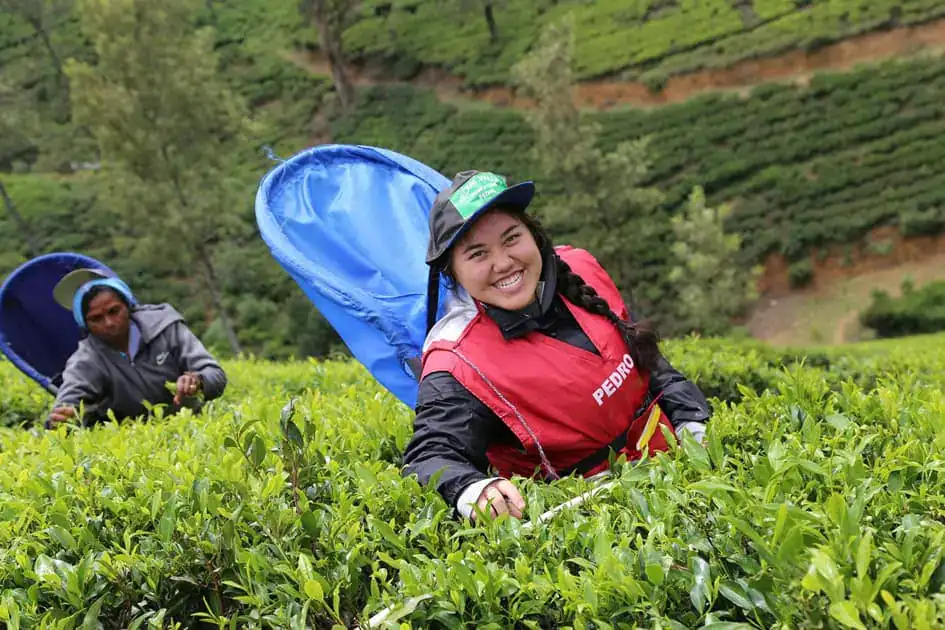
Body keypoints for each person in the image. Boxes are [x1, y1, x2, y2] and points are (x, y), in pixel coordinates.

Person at [402, 170, 712, 521]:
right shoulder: (456, 361)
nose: (503, 263)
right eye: (477, 254)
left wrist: (690, 419)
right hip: (598, 519)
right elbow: (430, 454)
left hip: (682, 476)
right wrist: (473, 490)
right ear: (453, 274)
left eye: (511, 238)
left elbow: (647, 360)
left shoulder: (580, 270)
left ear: (533, 235)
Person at [44, 268, 227, 429]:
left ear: (128, 307)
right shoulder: (86, 359)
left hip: (192, 427)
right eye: (96, 319)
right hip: (138, 443)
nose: (109, 323)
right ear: (86, 325)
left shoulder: (165, 326)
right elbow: (68, 401)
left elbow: (215, 374)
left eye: (114, 311)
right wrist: (61, 419)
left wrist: (198, 381)